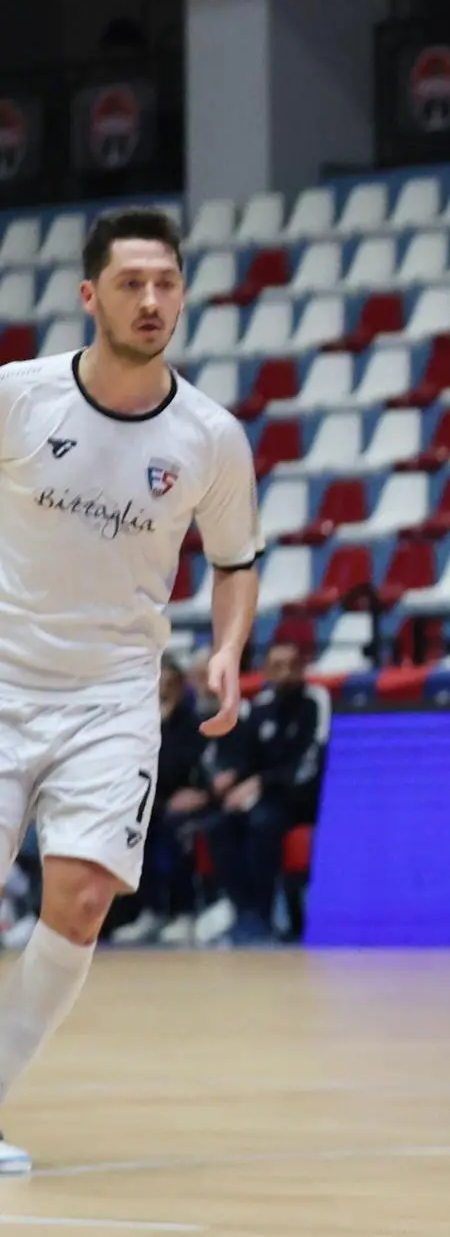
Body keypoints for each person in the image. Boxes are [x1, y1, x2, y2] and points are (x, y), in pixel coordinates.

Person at [0, 208, 263, 1172]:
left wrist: (229, 648)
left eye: (166, 284)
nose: (151, 300)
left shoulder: (210, 436)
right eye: (131, 283)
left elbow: (237, 562)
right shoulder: (18, 399)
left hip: (114, 697)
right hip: (1, 676)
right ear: (89, 295)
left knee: (78, 901)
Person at [198, 633, 330, 944]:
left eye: (291, 665)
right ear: (267, 671)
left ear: (303, 667)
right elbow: (247, 757)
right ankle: (244, 910)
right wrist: (235, 783)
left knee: (262, 823)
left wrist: (260, 783)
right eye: (277, 666)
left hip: (298, 797)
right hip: (261, 796)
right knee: (218, 824)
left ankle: (264, 912)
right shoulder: (260, 708)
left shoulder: (315, 701)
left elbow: (309, 761)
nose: (285, 672)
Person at [110, 652, 215, 944]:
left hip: (187, 799)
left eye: (169, 683)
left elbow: (188, 766)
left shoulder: (192, 721)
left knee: (173, 826)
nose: (163, 690)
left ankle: (184, 912)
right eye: (158, 683)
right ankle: (150, 910)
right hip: (152, 800)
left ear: (181, 685)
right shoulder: (140, 721)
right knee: (133, 827)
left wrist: (200, 793)